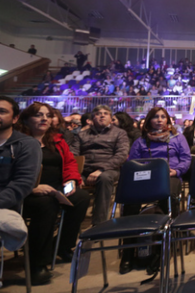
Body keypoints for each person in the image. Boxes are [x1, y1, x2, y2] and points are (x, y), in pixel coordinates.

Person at [16, 103, 90, 282]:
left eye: (48, 115)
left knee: (81, 197)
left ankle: (63, 247)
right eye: (38, 115)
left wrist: (71, 181)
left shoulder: (56, 139)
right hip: (26, 192)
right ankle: (38, 263)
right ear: (26, 119)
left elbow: (71, 163)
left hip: (56, 187)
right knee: (46, 204)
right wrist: (32, 188)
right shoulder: (17, 141)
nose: (44, 119)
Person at [119, 107, 191, 274]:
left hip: (169, 176)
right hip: (145, 177)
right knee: (130, 203)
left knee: (171, 199)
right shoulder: (141, 141)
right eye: (155, 117)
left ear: (168, 120)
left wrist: (177, 170)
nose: (159, 120)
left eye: (163, 117)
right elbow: (134, 162)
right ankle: (128, 253)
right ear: (149, 120)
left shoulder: (178, 138)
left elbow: (186, 158)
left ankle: (162, 250)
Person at [0, 97, 43, 282]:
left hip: (6, 204)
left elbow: (22, 184)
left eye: (2, 111)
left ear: (15, 118)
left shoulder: (26, 145)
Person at [69, 105, 129, 225]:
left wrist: (101, 169)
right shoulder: (82, 135)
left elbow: (121, 155)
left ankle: (99, 223)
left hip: (109, 170)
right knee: (70, 182)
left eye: (105, 113)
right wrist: (75, 174)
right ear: (92, 119)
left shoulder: (119, 133)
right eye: (98, 113)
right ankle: (70, 221)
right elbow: (73, 155)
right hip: (84, 170)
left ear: (111, 118)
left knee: (104, 178)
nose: (102, 115)